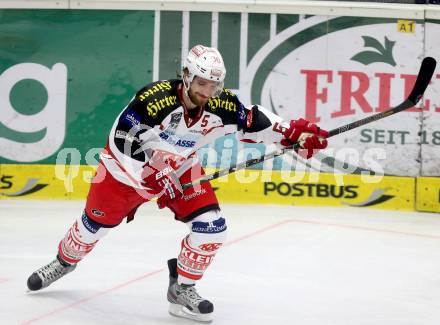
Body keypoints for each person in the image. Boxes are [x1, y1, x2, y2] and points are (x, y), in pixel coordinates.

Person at [26, 44, 328, 323]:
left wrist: (292, 133)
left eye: (214, 85)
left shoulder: (219, 103)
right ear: (186, 76)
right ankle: (64, 262)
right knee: (92, 227)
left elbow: (252, 121)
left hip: (181, 169)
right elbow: (121, 139)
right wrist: (149, 171)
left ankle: (182, 289)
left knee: (212, 227)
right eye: (201, 84)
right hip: (123, 173)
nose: (208, 92)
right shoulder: (154, 100)